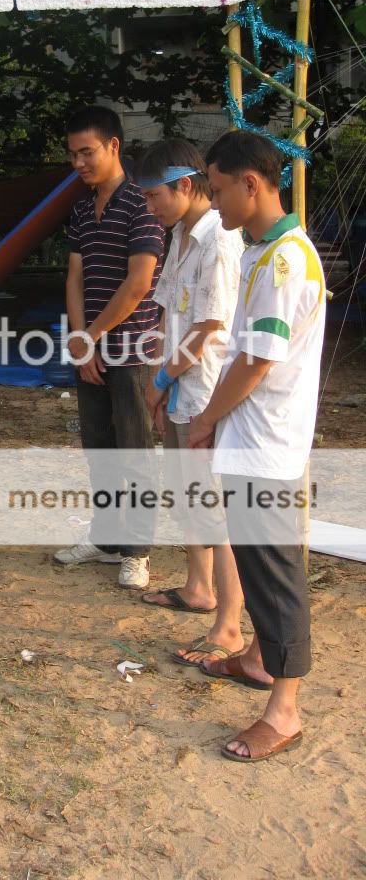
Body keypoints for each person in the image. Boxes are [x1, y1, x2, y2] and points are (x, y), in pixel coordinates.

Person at [189, 130, 325, 762]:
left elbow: (256, 361)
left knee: (275, 571)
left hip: (268, 445)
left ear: (251, 183)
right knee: (255, 558)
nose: (213, 202)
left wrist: (206, 419)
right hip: (250, 438)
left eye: (217, 190)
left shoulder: (284, 261)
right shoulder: (260, 251)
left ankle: (285, 711)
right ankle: (256, 658)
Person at [136, 138, 245, 666]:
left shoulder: (219, 241)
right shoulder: (179, 235)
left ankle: (230, 622)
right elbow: (168, 314)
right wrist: (160, 374)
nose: (149, 207)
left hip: (204, 392)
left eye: (153, 196)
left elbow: (208, 328)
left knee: (214, 506)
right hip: (180, 388)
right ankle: (198, 587)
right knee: (189, 495)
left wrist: (161, 379)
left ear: (184, 185)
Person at [54, 106, 165, 590]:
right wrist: (82, 343)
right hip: (91, 350)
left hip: (134, 352)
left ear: (113, 146)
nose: (78, 162)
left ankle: (137, 551)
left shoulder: (142, 203)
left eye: (87, 152)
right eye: (73, 154)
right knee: (98, 449)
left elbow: (139, 284)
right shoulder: (82, 208)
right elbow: (74, 278)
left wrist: (91, 337)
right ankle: (106, 538)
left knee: (134, 451)